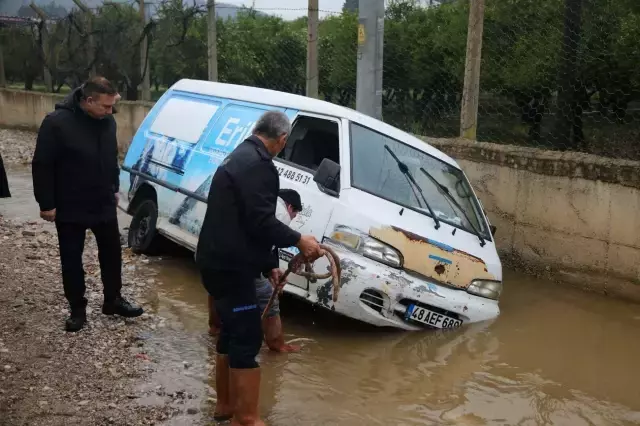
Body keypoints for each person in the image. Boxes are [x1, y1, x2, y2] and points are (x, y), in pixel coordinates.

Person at [196, 110, 323, 426]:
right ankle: (248, 418)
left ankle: (225, 406)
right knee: (247, 336)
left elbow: (243, 222)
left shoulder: (238, 155)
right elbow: (261, 221)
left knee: (229, 332)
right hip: (232, 267)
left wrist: (268, 265)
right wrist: (298, 240)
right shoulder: (260, 167)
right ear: (281, 140)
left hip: (215, 260)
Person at [31, 76, 144, 333]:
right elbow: (42, 165)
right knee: (72, 259)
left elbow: (111, 156)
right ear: (88, 100)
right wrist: (46, 203)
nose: (110, 111)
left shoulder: (107, 122)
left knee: (112, 254)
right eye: (105, 106)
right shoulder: (56, 123)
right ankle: (77, 309)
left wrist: (115, 188)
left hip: (102, 200)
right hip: (70, 203)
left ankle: (113, 300)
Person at [207, 188, 304, 354]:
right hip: (241, 259)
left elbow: (265, 243)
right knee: (268, 299)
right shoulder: (281, 213)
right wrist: (300, 243)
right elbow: (263, 244)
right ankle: (277, 345)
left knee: (219, 291)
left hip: (215, 251)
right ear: (290, 207)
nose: (292, 219)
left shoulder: (262, 201)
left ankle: (215, 328)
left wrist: (271, 268)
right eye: (294, 215)